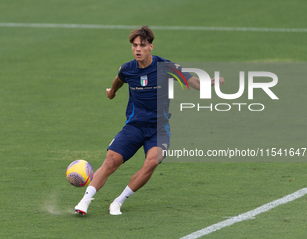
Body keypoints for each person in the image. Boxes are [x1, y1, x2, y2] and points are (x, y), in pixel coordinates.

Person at [75, 25, 224, 215]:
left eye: (142, 45)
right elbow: (119, 79)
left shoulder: (166, 67)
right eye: (135, 45)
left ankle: (118, 202)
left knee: (153, 161)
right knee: (111, 161)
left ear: (151, 47)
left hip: (158, 128)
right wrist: (112, 92)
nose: (138, 49)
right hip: (134, 126)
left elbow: (193, 83)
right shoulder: (128, 69)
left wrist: (210, 82)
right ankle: (84, 202)